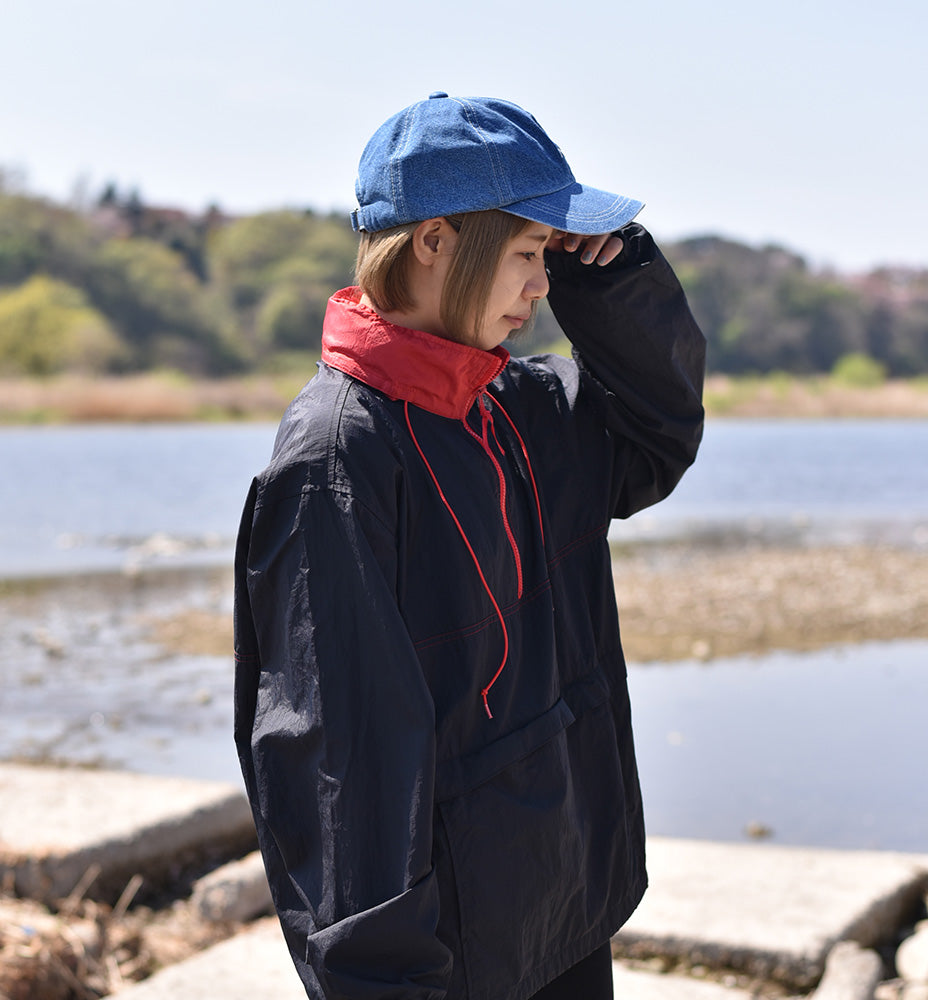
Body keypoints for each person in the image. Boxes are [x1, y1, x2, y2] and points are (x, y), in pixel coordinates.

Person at [234, 92, 706, 1000]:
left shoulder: (524, 407)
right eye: (530, 252)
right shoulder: (338, 459)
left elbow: (655, 442)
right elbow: (340, 767)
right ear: (435, 242)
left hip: (566, 905)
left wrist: (605, 279)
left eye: (549, 254)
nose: (542, 284)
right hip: (450, 958)